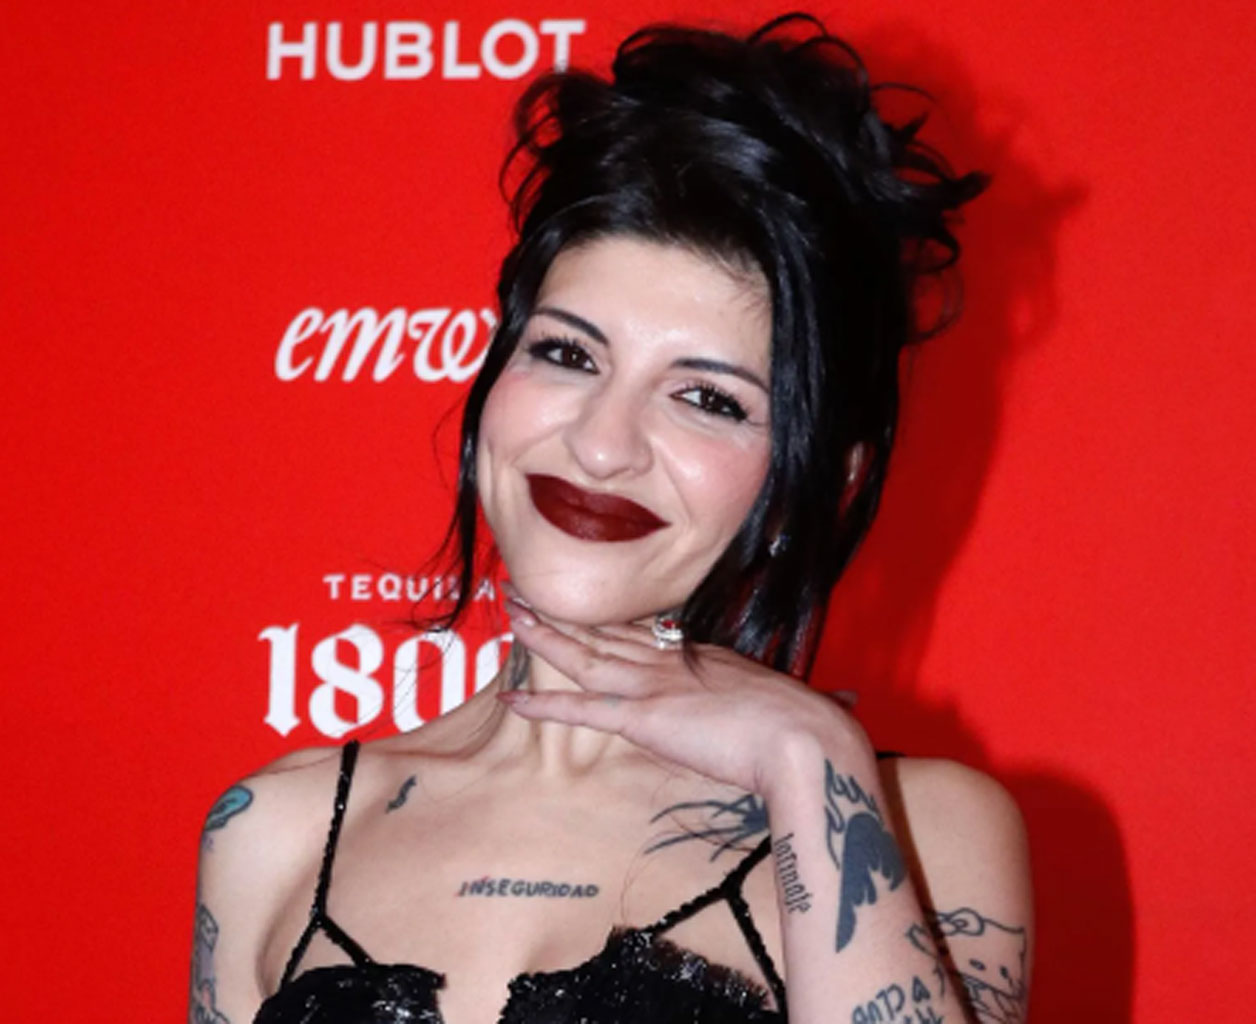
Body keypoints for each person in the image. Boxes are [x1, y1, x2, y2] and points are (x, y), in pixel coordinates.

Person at [190, 13, 1032, 1024]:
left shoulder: (920, 836)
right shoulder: (274, 832)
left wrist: (807, 762)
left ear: (816, 484)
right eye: (567, 353)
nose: (600, 443)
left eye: (707, 399)